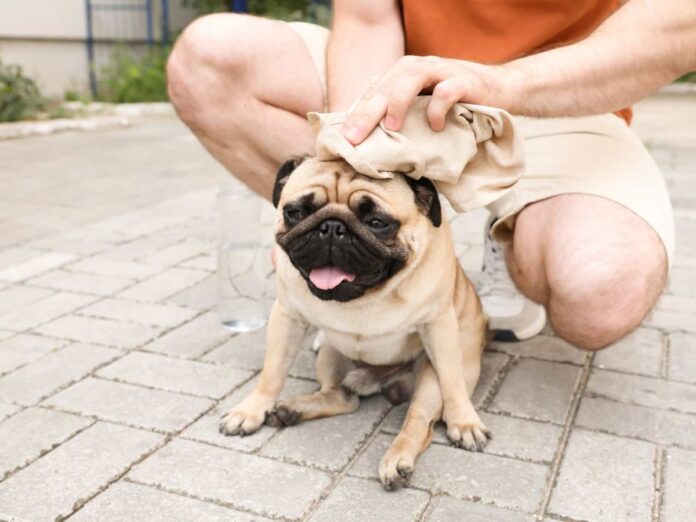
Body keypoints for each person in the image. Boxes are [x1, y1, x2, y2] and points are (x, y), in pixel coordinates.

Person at [166, 0, 696, 350]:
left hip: (559, 96)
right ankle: (369, 264)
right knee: (207, 59)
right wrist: (359, 162)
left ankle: (506, 234)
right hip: (404, 76)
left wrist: (497, 82)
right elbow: (368, 18)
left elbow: (677, 27)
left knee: (602, 294)